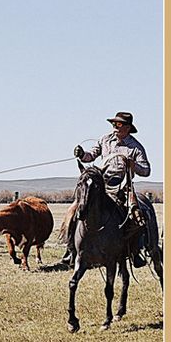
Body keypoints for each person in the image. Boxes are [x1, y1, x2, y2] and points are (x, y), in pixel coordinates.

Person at [62, 111, 150, 268]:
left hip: (123, 186)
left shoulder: (135, 147)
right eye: (114, 124)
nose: (115, 127)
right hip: (99, 185)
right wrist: (82, 154)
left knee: (137, 215)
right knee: (74, 210)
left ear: (128, 127)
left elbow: (146, 170)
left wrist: (133, 165)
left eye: (119, 124)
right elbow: (91, 156)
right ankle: (70, 250)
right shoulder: (104, 140)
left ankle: (135, 252)